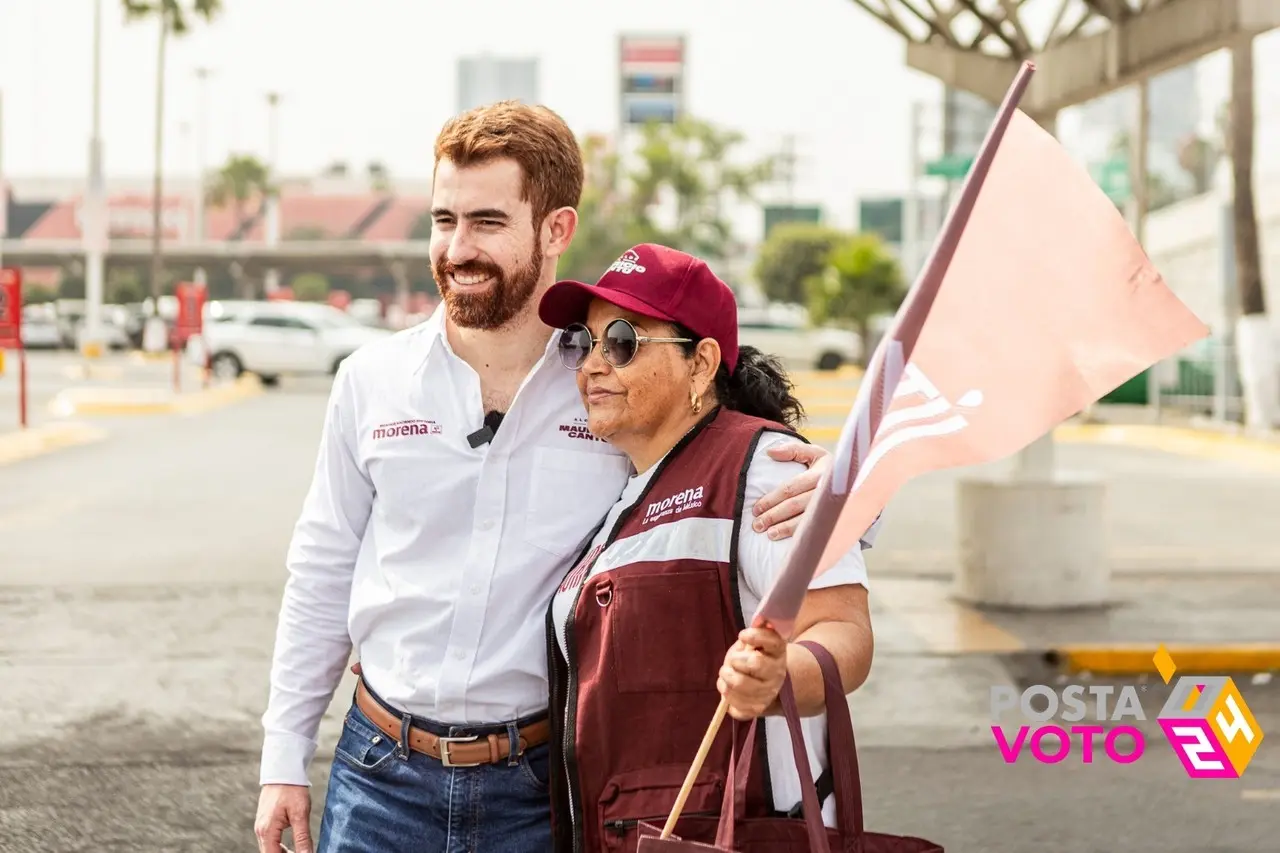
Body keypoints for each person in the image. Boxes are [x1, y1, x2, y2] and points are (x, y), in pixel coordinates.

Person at [253, 101, 831, 853]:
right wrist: (282, 758)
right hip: (378, 772)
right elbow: (322, 569)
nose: (457, 248)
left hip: (541, 783)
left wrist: (842, 492)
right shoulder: (370, 380)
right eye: (443, 219)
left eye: (487, 222)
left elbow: (733, 462)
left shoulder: (608, 384)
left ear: (556, 229)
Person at [536, 243, 876, 853]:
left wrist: (776, 680)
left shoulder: (766, 469)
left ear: (701, 364)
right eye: (581, 344)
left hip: (731, 830)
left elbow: (844, 633)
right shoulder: (630, 485)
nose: (592, 366)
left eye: (621, 341)